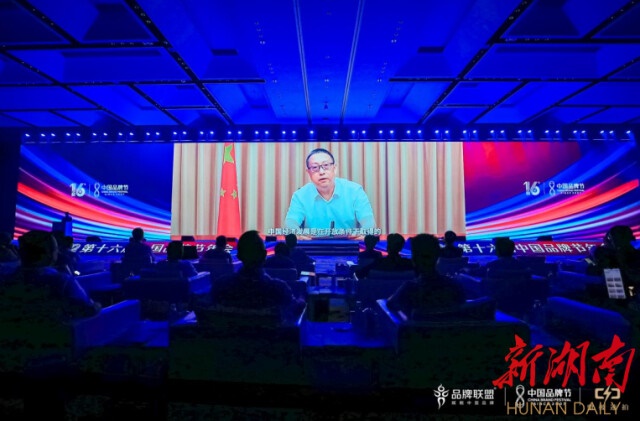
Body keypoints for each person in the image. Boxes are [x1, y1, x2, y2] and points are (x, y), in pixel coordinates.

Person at [0, 230, 100, 321]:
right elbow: (88, 309)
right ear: (50, 254)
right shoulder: (62, 281)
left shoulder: (6, 279)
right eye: (55, 249)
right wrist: (97, 305)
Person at [209, 230, 305, 321]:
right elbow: (296, 309)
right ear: (264, 255)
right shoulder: (279, 289)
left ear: (239, 256)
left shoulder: (220, 286)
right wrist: (302, 296)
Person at [283, 148, 376, 237]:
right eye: (315, 167)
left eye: (326, 165)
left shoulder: (355, 191)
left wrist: (365, 234)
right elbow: (291, 223)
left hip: (350, 244)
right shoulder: (300, 195)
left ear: (334, 168)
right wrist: (296, 235)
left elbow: (368, 221)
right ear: (308, 172)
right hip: (312, 245)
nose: (321, 172)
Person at [386, 233, 466, 316]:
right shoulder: (454, 286)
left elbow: (390, 304)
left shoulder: (408, 289)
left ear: (414, 259)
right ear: (437, 256)